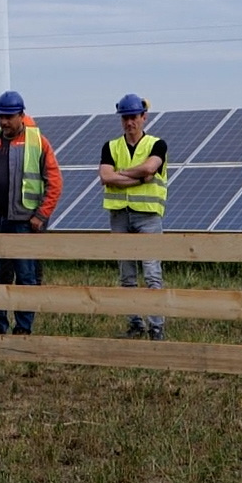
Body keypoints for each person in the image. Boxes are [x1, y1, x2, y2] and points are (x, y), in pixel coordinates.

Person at [0, 90, 62, 335]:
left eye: (9, 117)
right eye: (1, 116)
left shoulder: (38, 142)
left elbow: (55, 182)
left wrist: (41, 215)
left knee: (26, 275)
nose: (4, 121)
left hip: (23, 221)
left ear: (21, 115)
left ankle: (23, 327)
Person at [99, 94, 167, 340]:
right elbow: (106, 177)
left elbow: (151, 168)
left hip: (148, 216)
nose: (129, 122)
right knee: (126, 274)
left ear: (143, 117)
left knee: (151, 272)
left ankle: (156, 325)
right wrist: (136, 178)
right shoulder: (111, 146)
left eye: (133, 117)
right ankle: (135, 323)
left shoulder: (157, 144)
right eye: (125, 118)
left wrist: (121, 175)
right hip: (119, 216)